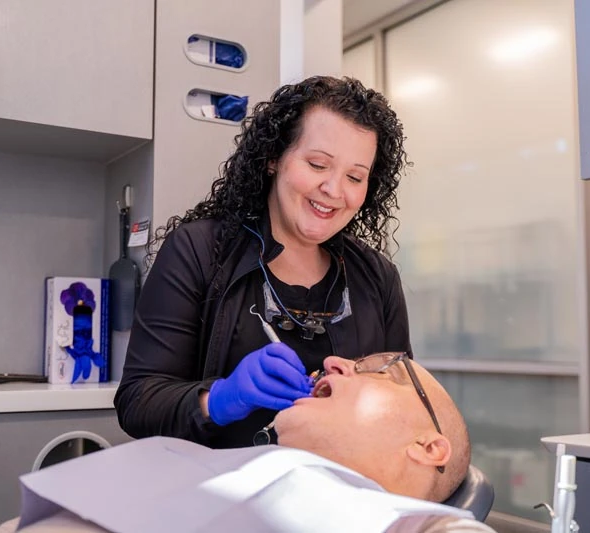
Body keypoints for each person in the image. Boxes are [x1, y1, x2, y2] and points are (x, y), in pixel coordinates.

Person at [115, 76, 414, 448]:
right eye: (318, 165)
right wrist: (223, 398)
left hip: (337, 493)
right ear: (274, 158)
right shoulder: (199, 251)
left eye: (355, 176)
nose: (335, 191)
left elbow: (405, 399)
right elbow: (137, 402)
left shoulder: (377, 276)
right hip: (215, 495)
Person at [0, 353, 495, 533]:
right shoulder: (221, 469)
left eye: (375, 368)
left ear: (429, 447)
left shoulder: (411, 524)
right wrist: (221, 398)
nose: (335, 362)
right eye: (317, 165)